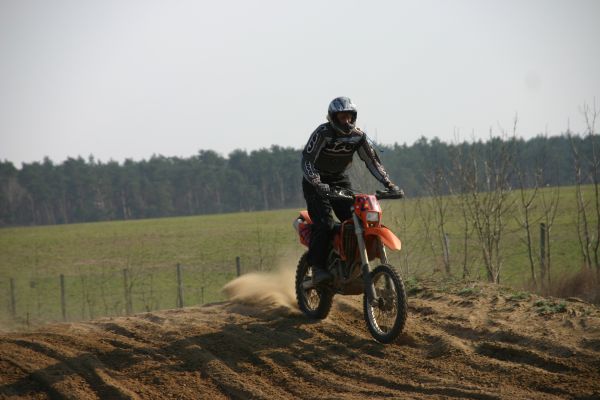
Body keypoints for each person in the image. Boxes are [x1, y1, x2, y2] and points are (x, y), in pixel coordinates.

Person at [301, 96, 402, 284]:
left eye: (349, 116)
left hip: (339, 180)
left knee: (356, 220)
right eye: (342, 117)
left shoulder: (358, 136)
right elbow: (307, 160)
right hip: (315, 183)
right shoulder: (323, 133)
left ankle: (350, 262)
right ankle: (318, 268)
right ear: (333, 117)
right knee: (324, 223)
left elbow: (372, 161)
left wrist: (389, 184)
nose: (346, 120)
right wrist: (317, 182)